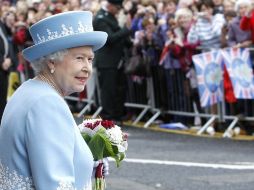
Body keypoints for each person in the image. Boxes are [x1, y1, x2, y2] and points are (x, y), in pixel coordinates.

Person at [0, 11, 108, 189]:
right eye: (79, 58)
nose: (87, 68)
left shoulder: (30, 90)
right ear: (52, 61)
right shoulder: (46, 103)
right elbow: (56, 184)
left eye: (90, 59)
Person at [93, 0, 133, 122]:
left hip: (117, 60)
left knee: (120, 89)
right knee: (108, 90)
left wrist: (128, 41)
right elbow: (109, 38)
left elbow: (118, 35)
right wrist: (126, 29)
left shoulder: (110, 17)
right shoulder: (100, 18)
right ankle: (108, 116)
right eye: (117, 7)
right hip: (107, 61)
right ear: (110, 6)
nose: (118, 10)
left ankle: (117, 114)